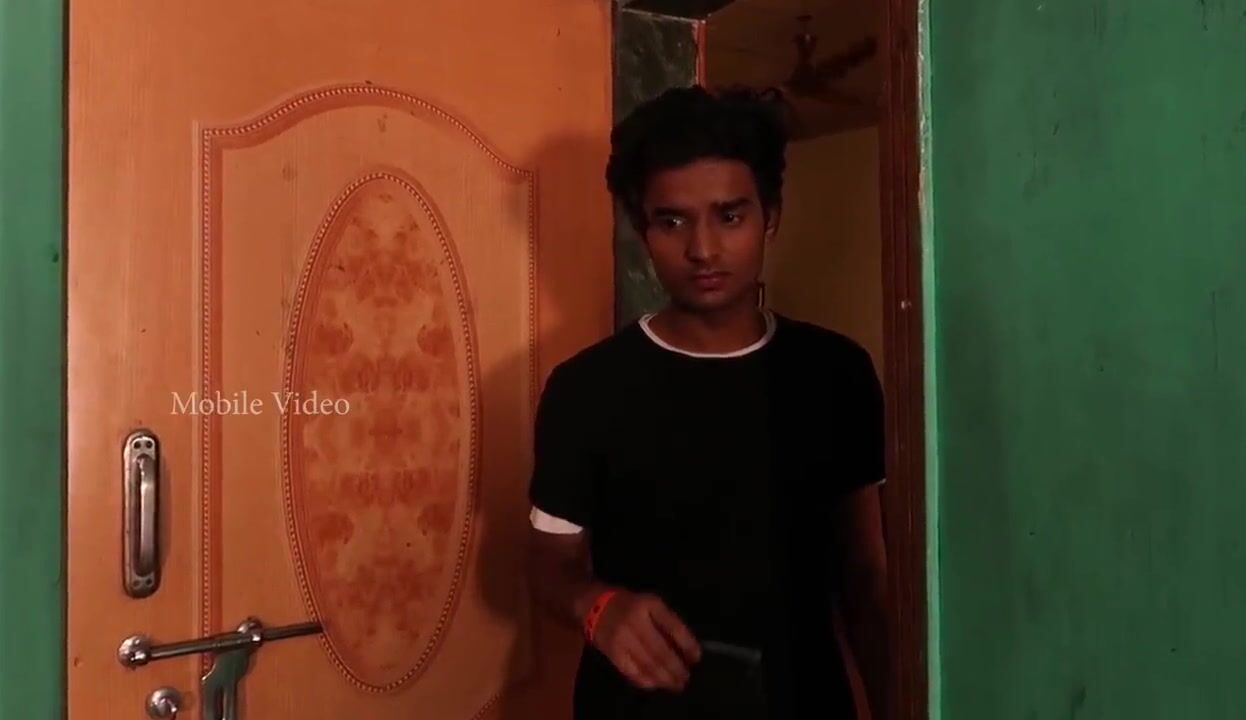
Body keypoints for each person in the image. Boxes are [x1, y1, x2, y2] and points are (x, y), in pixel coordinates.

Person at [526, 84, 889, 719]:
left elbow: (865, 572)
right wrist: (597, 606)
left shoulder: (837, 373)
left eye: (729, 216)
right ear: (642, 230)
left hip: (801, 703)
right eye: (672, 221)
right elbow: (549, 566)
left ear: (770, 215)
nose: (702, 249)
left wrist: (895, 701)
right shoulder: (585, 390)